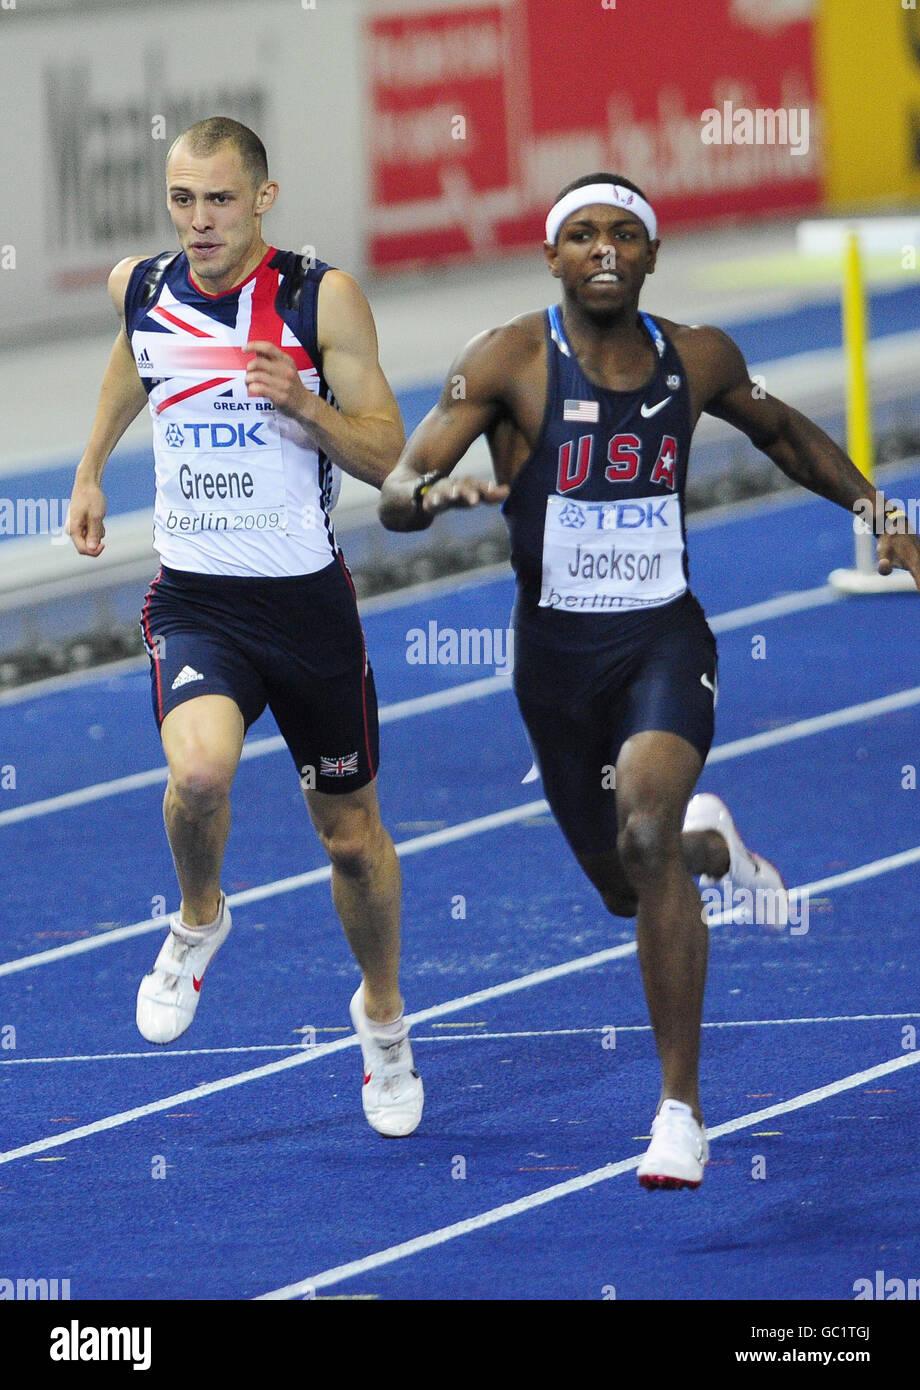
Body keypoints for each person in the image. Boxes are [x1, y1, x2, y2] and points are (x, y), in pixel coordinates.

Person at [379, 172, 920, 1186]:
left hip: (663, 642)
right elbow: (399, 488)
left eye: (621, 234)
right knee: (628, 883)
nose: (600, 250)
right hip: (553, 666)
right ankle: (710, 843)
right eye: (579, 234)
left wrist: (876, 513)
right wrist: (428, 494)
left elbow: (784, 433)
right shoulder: (502, 359)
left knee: (639, 829)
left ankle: (679, 1110)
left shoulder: (698, 356)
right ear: (550, 257)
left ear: (650, 255)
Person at [67, 116, 423, 1139]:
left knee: (349, 839)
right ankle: (198, 917)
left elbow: (389, 451)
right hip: (198, 600)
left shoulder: (320, 297)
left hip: (305, 607)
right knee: (200, 774)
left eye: (218, 199)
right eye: (182, 199)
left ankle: (383, 1020)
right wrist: (92, 469)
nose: (199, 220)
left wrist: (304, 407)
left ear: (262, 198)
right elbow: (133, 364)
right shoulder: (141, 286)